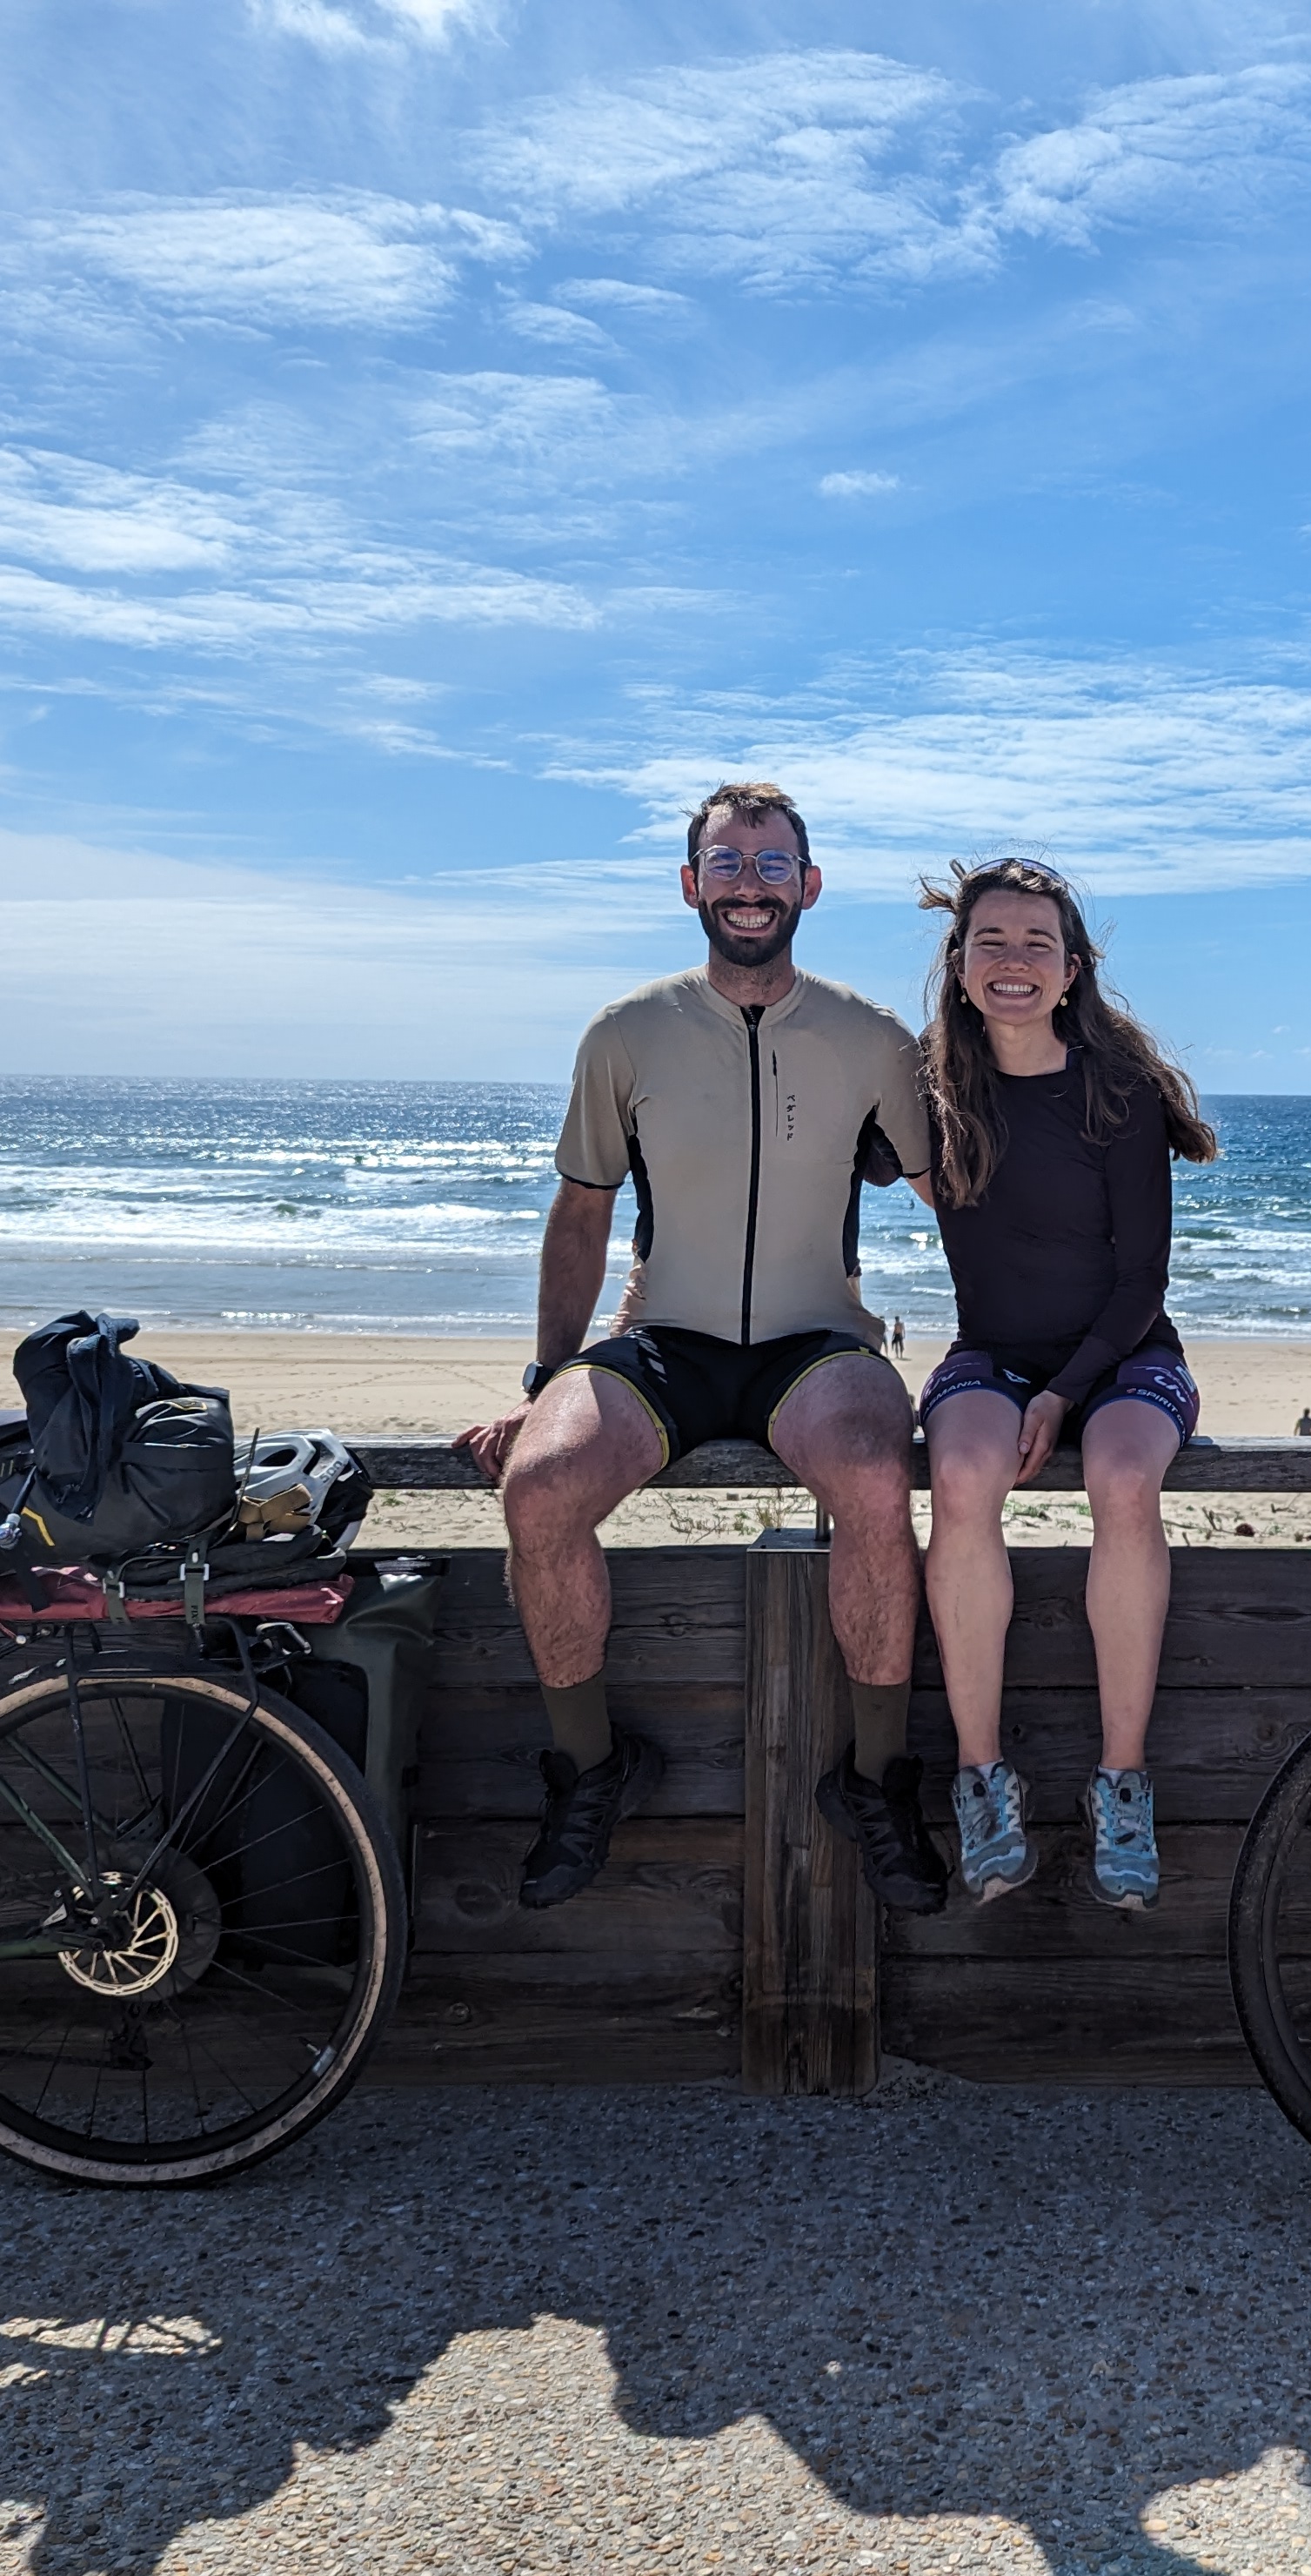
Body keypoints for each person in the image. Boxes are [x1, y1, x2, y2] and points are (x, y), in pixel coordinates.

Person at [457, 781, 945, 1914]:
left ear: (809, 887)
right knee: (538, 1487)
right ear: (691, 885)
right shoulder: (626, 1034)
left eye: (772, 866)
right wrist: (544, 1385)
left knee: (879, 1473)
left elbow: (950, 1192)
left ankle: (875, 1782)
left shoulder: (872, 1041)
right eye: (728, 865)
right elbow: (580, 1216)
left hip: (815, 1344)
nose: (750, 886)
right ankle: (589, 1768)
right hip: (662, 1341)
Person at [912, 856, 1219, 1911]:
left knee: (1124, 1480)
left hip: (1128, 1356)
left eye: (1038, 943)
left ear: (1074, 969)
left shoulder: (1118, 1094)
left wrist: (1065, 1395)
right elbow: (815, 1156)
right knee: (959, 1478)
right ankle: (981, 1777)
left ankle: (1122, 1783)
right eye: (991, 941)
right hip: (992, 1355)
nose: (1014, 961)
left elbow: (1142, 1280)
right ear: (958, 966)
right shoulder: (931, 1091)